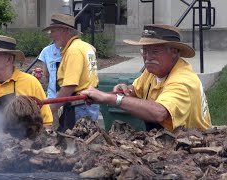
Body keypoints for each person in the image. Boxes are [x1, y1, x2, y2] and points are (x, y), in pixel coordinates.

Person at [81, 24, 212, 132]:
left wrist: (110, 98)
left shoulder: (183, 80)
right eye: (145, 51)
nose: (148, 57)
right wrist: (126, 90)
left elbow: (159, 112)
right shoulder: (152, 71)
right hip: (166, 142)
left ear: (174, 52)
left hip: (194, 148)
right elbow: (136, 90)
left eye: (155, 52)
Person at [43, 13, 100, 132]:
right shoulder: (84, 46)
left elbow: (70, 86)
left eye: (53, 31)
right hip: (86, 104)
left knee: (72, 144)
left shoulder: (73, 51)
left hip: (78, 107)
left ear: (64, 30)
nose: (50, 35)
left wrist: (50, 109)